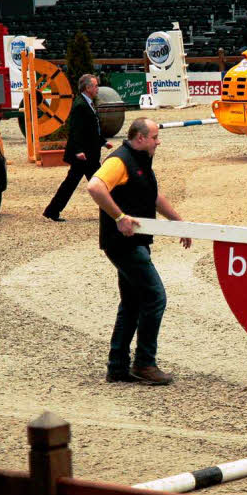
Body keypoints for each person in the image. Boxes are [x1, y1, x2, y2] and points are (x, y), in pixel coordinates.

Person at [87, 118, 192, 384]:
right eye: (155, 137)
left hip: (134, 243)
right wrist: (119, 216)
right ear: (141, 138)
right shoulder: (120, 160)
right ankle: (145, 364)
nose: (158, 141)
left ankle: (118, 366)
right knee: (155, 298)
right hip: (124, 244)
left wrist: (178, 223)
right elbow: (95, 186)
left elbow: (153, 196)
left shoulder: (140, 162)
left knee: (132, 303)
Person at [43, 74, 113, 222]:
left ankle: (52, 210)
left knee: (72, 183)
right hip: (84, 155)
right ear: (87, 88)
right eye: (95, 86)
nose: (97, 88)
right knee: (100, 183)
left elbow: (91, 129)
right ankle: (111, 212)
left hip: (89, 153)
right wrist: (78, 151)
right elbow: (76, 130)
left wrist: (103, 142)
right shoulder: (80, 105)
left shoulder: (87, 103)